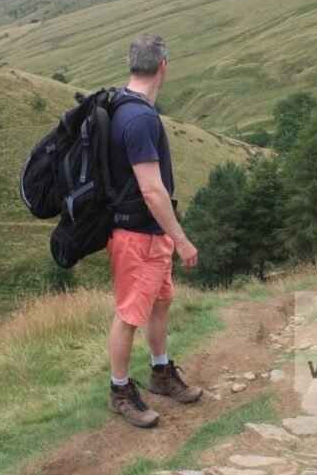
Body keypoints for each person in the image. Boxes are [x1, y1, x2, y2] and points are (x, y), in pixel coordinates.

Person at [106, 32, 203, 428]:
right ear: (163, 66)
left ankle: (161, 373)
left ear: (133, 64)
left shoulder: (120, 104)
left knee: (160, 303)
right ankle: (119, 391)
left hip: (149, 234)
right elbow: (151, 189)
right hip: (139, 236)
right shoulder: (141, 118)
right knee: (130, 315)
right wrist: (180, 239)